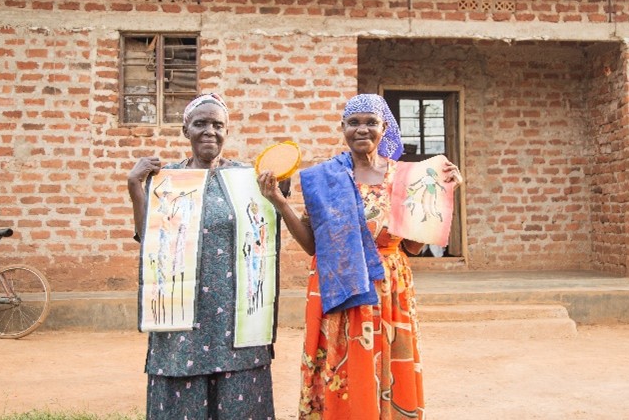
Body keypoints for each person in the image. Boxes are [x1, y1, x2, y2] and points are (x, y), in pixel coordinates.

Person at [258, 93, 462, 420]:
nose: (362, 129)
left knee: (387, 367)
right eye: (354, 122)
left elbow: (413, 247)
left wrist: (442, 194)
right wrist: (279, 203)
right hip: (339, 287)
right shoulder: (326, 178)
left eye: (371, 122)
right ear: (342, 127)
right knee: (341, 369)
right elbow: (313, 246)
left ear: (385, 129)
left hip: (389, 290)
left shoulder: (404, 177)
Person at [127, 92, 276, 420]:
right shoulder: (170, 181)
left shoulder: (245, 180)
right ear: (186, 131)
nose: (209, 131)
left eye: (217, 125)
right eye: (200, 124)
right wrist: (135, 186)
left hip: (235, 316)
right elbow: (148, 238)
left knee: (239, 393)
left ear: (226, 132)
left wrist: (276, 188)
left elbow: (265, 231)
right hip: (184, 315)